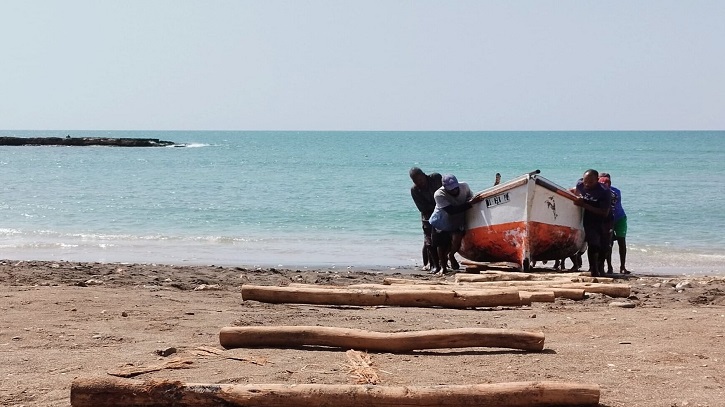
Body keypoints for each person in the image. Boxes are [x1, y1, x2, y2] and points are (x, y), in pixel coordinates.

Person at [429, 174, 484, 274]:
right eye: (451, 189)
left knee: (457, 242)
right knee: (441, 245)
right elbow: (451, 210)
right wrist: (470, 204)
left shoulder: (464, 187)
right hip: (441, 221)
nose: (454, 190)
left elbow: (470, 198)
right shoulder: (439, 194)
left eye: (455, 188)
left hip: (456, 220)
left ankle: (451, 255)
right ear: (445, 188)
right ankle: (443, 267)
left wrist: (474, 202)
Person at [571, 169, 611, 277]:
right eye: (585, 181)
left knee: (604, 246)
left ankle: (601, 267)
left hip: (604, 218)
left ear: (597, 180)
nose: (587, 184)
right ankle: (593, 270)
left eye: (591, 182)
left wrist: (583, 204)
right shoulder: (580, 184)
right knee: (593, 244)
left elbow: (604, 213)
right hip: (589, 218)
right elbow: (577, 191)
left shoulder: (604, 192)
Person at [409, 167, 443, 273]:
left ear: (424, 175)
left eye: (421, 179)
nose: (420, 183)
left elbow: (446, 191)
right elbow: (422, 208)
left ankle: (444, 262)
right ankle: (433, 265)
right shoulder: (414, 190)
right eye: (416, 181)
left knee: (444, 238)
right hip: (428, 214)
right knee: (429, 241)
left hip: (443, 209)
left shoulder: (436, 178)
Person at [599, 173, 630, 274]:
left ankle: (622, 266)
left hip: (619, 218)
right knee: (608, 243)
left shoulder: (615, 192)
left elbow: (611, 205)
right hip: (607, 219)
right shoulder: (597, 191)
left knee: (621, 241)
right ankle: (609, 266)